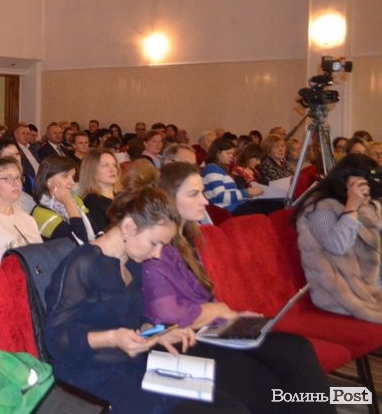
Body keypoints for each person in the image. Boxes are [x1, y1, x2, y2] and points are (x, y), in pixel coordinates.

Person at [44, 169, 249, 413]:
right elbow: (56, 340)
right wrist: (113, 338)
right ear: (129, 227)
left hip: (132, 366)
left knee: (230, 399)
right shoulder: (83, 263)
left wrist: (155, 334)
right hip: (90, 377)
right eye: (155, 243)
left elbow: (130, 322)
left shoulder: (133, 264)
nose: (157, 254)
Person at [140, 162, 334, 413]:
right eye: (194, 194)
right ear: (168, 198)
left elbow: (199, 301)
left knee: (296, 349)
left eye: (202, 192)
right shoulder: (155, 247)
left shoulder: (186, 240)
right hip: (175, 342)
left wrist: (231, 316)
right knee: (263, 383)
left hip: (204, 329)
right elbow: (168, 317)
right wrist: (221, 311)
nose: (205, 201)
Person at [295, 154, 382, 323]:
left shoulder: (368, 204)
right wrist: (352, 207)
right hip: (343, 295)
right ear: (344, 179)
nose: (366, 185)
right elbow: (335, 246)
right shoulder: (319, 206)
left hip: (372, 285)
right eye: (361, 180)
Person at [0, 157, 42, 264]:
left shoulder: (27, 218)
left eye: (18, 177)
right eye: (8, 178)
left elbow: (42, 255)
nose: (16, 183)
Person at [31, 155, 97, 243]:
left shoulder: (75, 199)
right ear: (48, 181)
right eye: (65, 176)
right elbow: (80, 241)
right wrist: (68, 204)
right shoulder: (40, 214)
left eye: (72, 177)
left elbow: (97, 231)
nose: (72, 182)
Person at [201, 137, 262, 213]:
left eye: (232, 154)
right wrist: (246, 192)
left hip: (234, 206)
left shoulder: (219, 169)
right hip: (227, 210)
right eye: (228, 153)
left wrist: (247, 195)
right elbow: (221, 196)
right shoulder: (212, 169)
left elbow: (231, 194)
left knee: (268, 205)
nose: (231, 156)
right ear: (217, 153)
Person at [77, 148, 119, 233]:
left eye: (114, 165)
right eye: (105, 165)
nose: (113, 169)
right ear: (91, 170)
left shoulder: (122, 195)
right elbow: (102, 234)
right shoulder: (90, 201)